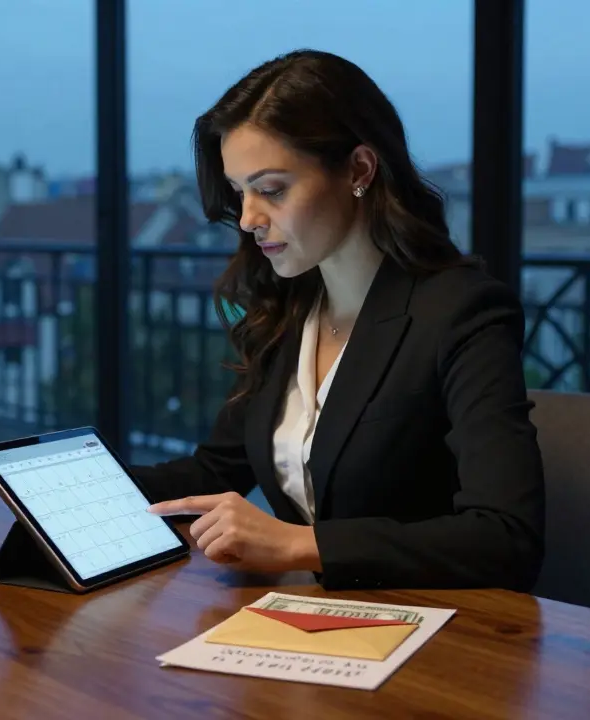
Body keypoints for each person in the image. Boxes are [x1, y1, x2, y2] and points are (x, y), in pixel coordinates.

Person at [131, 49, 545, 593]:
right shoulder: (285, 312)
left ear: (359, 170)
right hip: (310, 624)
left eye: (272, 189)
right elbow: (213, 474)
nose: (250, 219)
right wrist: (73, 487)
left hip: (436, 635)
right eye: (240, 193)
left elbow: (506, 538)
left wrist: (298, 544)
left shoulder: (461, 312)